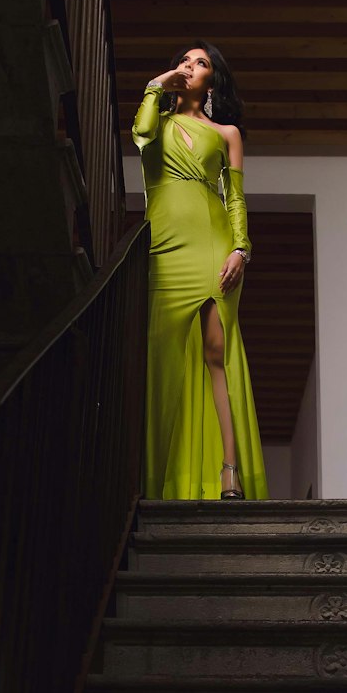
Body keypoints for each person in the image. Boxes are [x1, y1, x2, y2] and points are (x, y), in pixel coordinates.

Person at [133, 41, 268, 500]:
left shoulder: (227, 133)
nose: (191, 67)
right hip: (165, 246)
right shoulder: (158, 122)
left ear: (214, 80)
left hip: (214, 243)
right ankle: (154, 476)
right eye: (185, 62)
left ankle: (230, 470)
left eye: (202, 63)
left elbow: (235, 199)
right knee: (161, 357)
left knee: (216, 352)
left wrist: (241, 249)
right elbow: (140, 133)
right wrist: (156, 86)